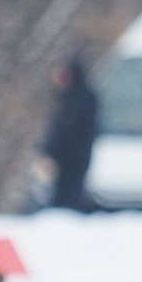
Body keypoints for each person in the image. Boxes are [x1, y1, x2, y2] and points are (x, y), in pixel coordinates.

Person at [40, 55, 100, 212]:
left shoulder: (81, 99)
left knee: (71, 197)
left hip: (75, 157)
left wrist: (51, 150)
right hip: (63, 158)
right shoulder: (66, 98)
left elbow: (66, 131)